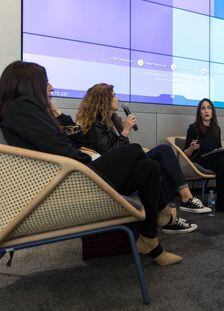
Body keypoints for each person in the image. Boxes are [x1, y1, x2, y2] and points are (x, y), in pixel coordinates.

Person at [0, 60, 182, 266]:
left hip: (71, 178)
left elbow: (76, 142)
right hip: (72, 182)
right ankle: (163, 210)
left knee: (150, 167)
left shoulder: (25, 111)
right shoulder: (23, 110)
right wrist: (88, 159)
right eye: (46, 82)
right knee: (135, 150)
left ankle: (151, 243)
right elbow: (63, 149)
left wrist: (57, 113)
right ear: (29, 84)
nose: (51, 88)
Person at [76, 83, 210, 233]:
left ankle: (175, 212)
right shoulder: (95, 126)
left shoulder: (111, 121)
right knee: (160, 155)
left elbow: (120, 148)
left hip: (126, 166)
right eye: (113, 95)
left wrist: (125, 138)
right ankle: (181, 206)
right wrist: (125, 131)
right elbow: (110, 155)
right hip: (116, 174)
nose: (117, 98)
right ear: (103, 100)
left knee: (163, 157)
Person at [183, 98, 224, 213]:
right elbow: (185, 154)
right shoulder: (193, 127)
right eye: (203, 108)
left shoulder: (216, 128)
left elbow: (218, 148)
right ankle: (223, 202)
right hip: (200, 158)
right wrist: (192, 147)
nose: (206, 111)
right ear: (199, 112)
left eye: (209, 108)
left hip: (215, 157)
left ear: (212, 111)